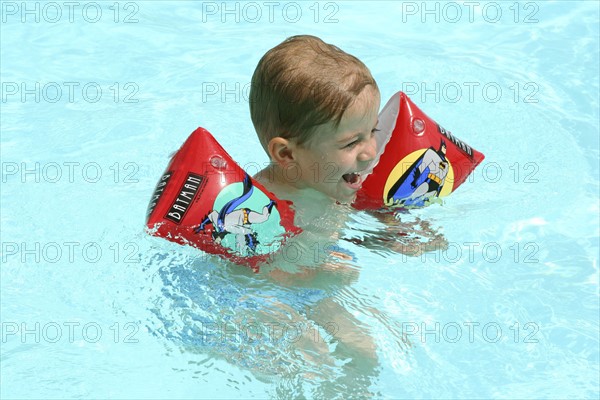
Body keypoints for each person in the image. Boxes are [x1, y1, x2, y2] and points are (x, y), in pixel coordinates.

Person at [250, 35, 380, 213]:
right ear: (286, 153)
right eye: (351, 143)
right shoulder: (261, 209)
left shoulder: (334, 178)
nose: (371, 153)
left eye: (373, 130)